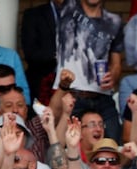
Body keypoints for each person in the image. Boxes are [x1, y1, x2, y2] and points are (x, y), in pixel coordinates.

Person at [53, 0, 125, 140]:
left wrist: (113, 75)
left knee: (114, 147)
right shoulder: (67, 7)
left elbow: (116, 63)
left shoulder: (114, 21)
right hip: (72, 96)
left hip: (103, 97)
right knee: (66, 147)